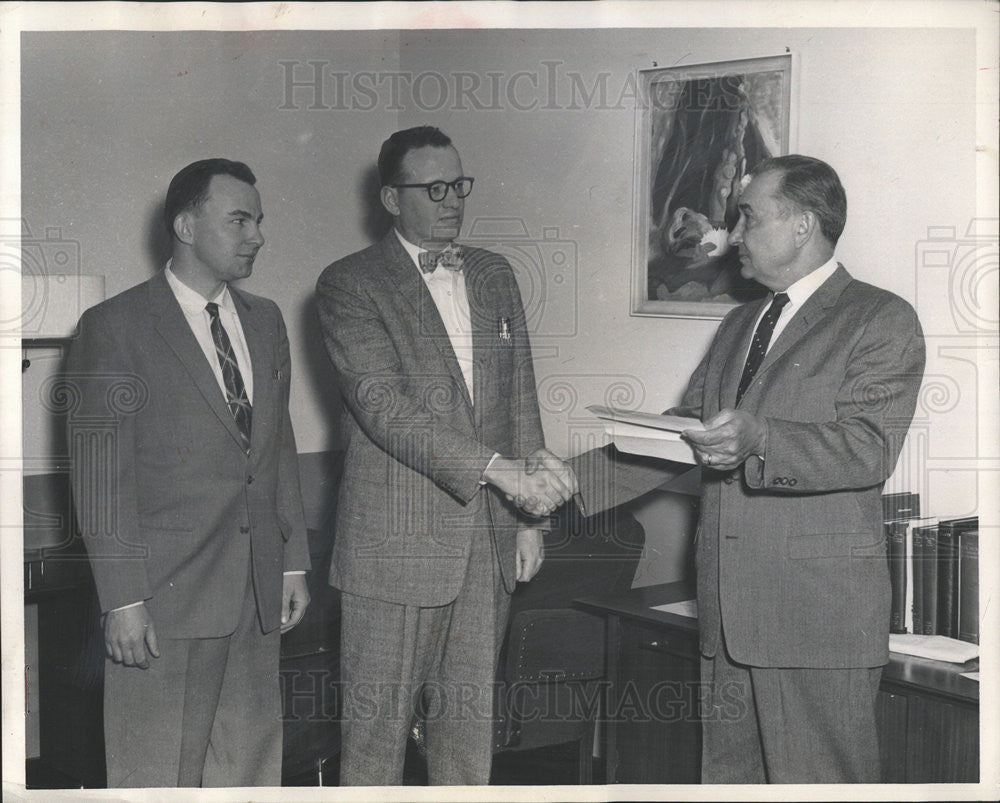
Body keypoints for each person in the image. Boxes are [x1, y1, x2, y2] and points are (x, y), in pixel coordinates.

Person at [315, 125, 577, 785]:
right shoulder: (349, 283)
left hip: (486, 543)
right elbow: (385, 409)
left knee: (466, 744)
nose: (452, 200)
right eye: (433, 189)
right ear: (390, 198)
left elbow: (519, 395)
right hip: (391, 547)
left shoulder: (493, 273)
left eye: (458, 185)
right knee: (374, 748)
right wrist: (500, 473)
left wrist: (528, 516)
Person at [669, 155, 926, 783]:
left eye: (748, 217)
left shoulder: (879, 318)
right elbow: (689, 429)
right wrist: (549, 478)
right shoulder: (738, 322)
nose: (732, 237)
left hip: (815, 622)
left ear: (804, 224)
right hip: (727, 616)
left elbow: (869, 447)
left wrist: (761, 438)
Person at [66, 159, 311, 787]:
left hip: (256, 594)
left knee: (251, 772)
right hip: (162, 602)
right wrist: (122, 599)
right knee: (154, 776)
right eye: (238, 219)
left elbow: (276, 447)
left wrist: (291, 562)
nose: (256, 235)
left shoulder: (265, 320)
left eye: (258, 220)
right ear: (185, 224)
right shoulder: (113, 327)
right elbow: (101, 478)